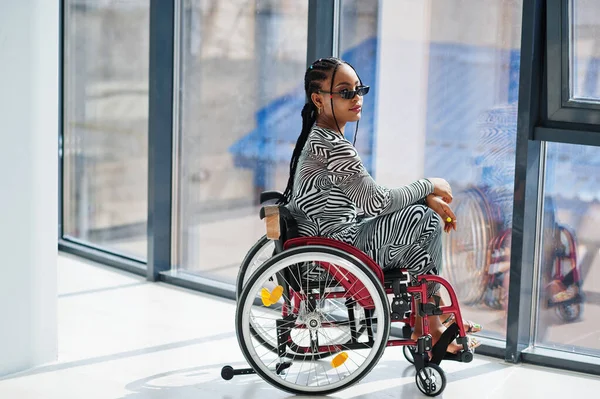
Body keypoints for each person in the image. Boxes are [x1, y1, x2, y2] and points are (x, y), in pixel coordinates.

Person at [280, 57, 481, 352]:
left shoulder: (322, 138)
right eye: (346, 92)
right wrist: (427, 186)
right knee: (424, 220)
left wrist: (421, 197)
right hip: (334, 251)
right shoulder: (332, 147)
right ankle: (431, 324)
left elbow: (366, 201)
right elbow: (376, 202)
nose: (357, 98)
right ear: (318, 99)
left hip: (328, 241)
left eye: (359, 89)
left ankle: (427, 320)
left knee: (418, 221)